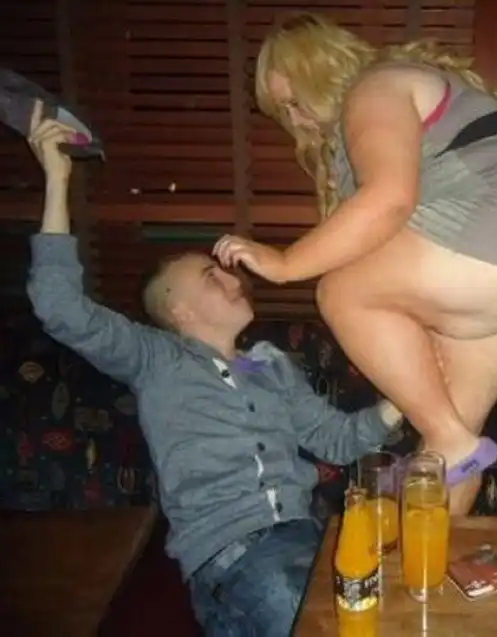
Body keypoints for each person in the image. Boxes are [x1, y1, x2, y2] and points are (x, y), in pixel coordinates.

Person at [25, 102, 403, 637]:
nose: (232, 276)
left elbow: (337, 441)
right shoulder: (157, 358)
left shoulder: (274, 366)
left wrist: (404, 397)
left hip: (314, 543)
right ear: (179, 311)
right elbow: (60, 307)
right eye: (210, 275)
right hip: (237, 558)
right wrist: (57, 178)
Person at [212, 14, 497, 513]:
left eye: (295, 101)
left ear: (320, 68)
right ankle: (430, 557)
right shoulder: (369, 119)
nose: (297, 121)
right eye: (284, 113)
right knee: (445, 453)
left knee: (341, 291)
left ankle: (451, 443)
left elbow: (389, 200)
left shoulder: (375, 87)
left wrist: (286, 263)